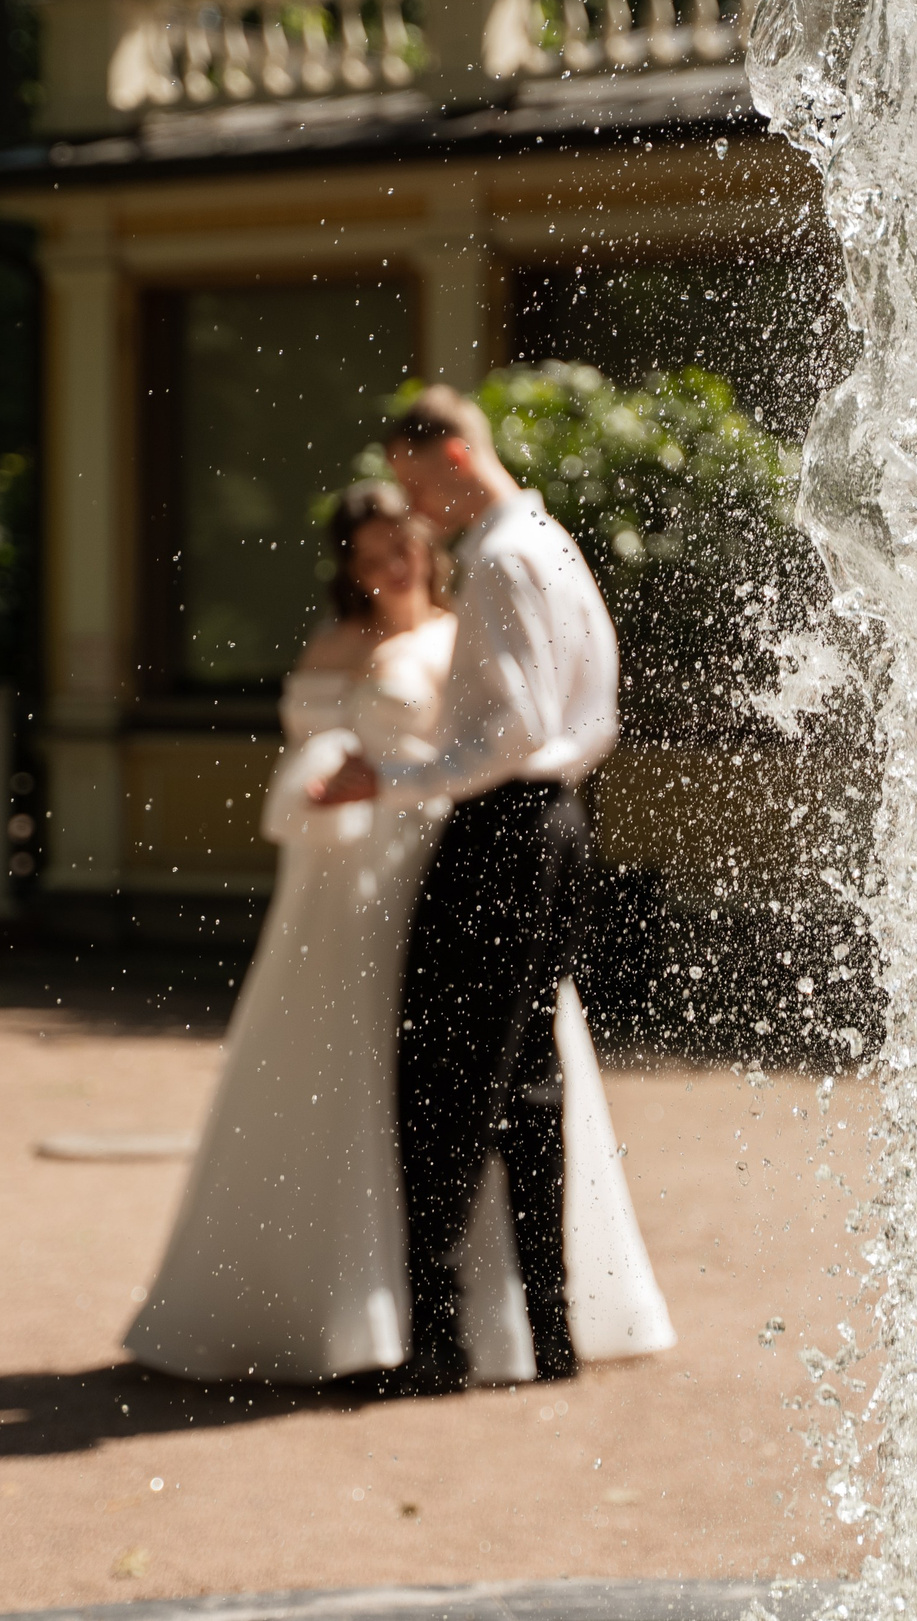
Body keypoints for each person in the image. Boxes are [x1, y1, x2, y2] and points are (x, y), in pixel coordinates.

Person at [126, 479, 669, 1386]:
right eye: (369, 552)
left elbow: (501, 741)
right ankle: (320, 1303)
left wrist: (384, 779)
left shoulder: (473, 623)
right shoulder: (336, 640)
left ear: (424, 543)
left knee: (472, 1084)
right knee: (334, 1073)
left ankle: (488, 1321)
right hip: (334, 888)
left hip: (428, 871)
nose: (390, 564)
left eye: (400, 544)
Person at [311, 385, 629, 1396]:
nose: (420, 509)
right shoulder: (553, 538)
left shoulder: (500, 554)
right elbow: (591, 706)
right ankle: (550, 1329)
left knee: (440, 1083)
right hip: (558, 826)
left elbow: (512, 733)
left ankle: (439, 1340)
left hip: (501, 831)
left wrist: (390, 778)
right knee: (528, 1077)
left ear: (450, 452)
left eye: (416, 482)